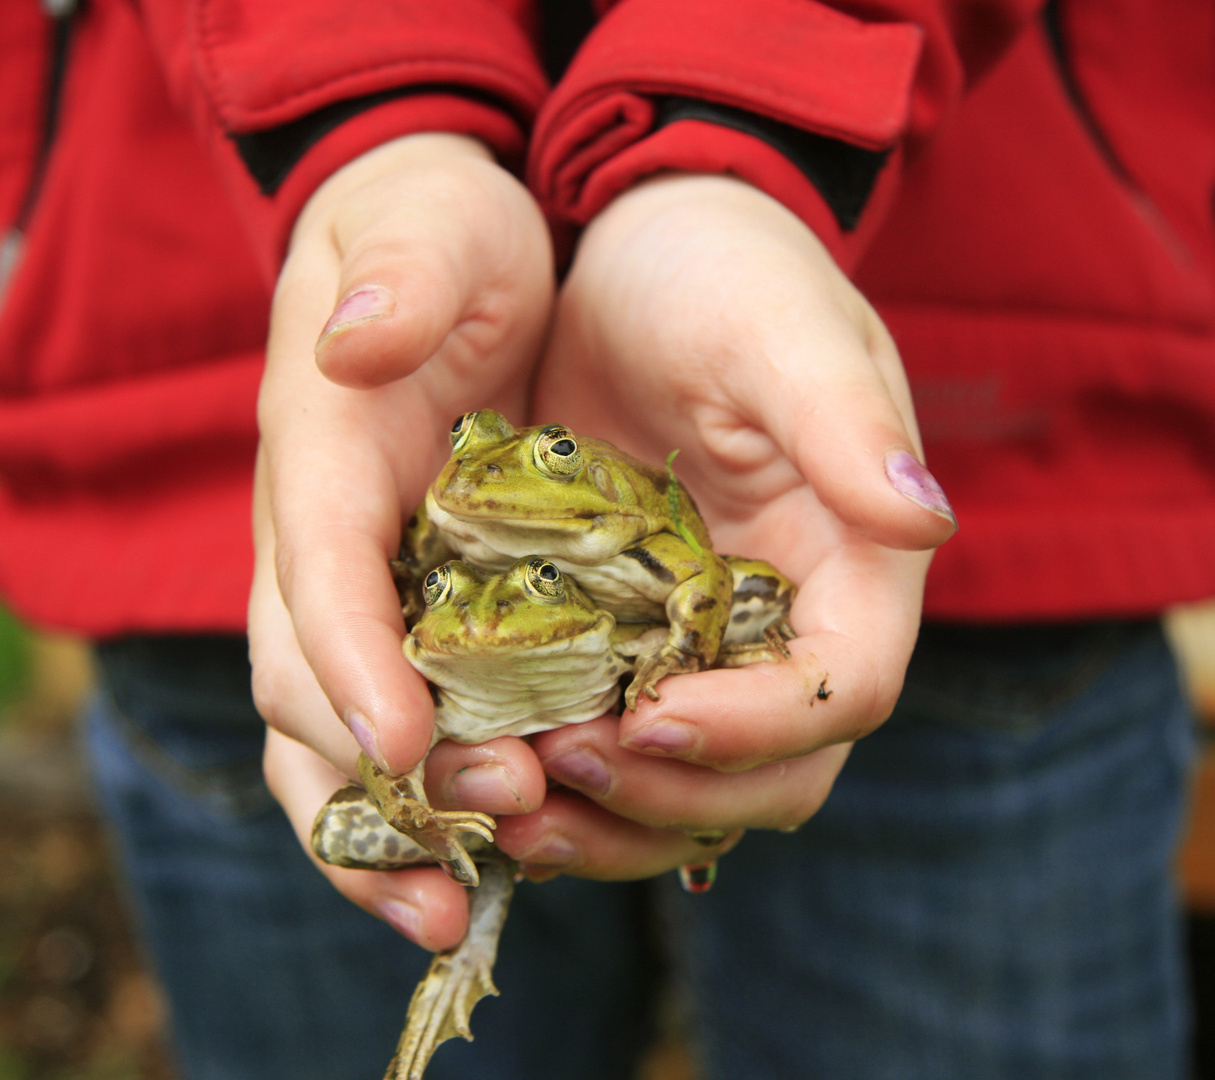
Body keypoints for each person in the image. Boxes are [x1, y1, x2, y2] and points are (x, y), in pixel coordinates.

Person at [2, 1, 1211, 1079]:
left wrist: (740, 129)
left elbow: (708, 584)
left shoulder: (656, 540)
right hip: (257, 428)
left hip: (938, 427)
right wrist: (368, 127)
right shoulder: (449, 503)